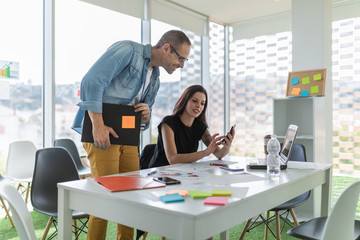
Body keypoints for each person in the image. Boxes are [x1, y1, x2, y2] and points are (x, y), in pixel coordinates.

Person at [74, 30, 191, 240]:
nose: (182, 64)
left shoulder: (155, 78)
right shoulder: (128, 50)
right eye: (180, 58)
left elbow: (143, 121)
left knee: (131, 198)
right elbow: (91, 82)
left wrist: (146, 115)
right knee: (104, 199)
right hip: (103, 134)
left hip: (128, 138)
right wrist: (98, 125)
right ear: (166, 48)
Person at [148, 85, 234, 168]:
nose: (198, 106)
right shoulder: (168, 123)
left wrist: (227, 146)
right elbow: (173, 159)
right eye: (194, 101)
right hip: (162, 174)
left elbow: (218, 154)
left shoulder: (199, 125)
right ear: (185, 101)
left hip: (185, 173)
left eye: (202, 103)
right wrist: (205, 153)